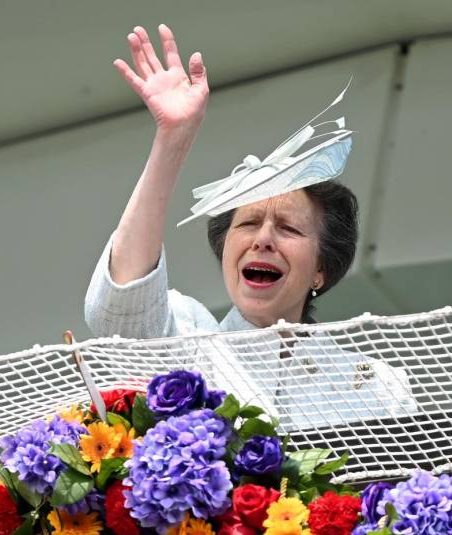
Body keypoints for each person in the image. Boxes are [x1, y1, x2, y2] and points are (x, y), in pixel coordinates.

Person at [84, 25, 415, 430]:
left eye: (289, 229)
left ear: (321, 269)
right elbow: (121, 311)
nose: (263, 239)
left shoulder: (378, 385)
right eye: (249, 223)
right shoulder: (190, 344)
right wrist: (172, 141)